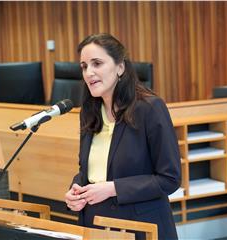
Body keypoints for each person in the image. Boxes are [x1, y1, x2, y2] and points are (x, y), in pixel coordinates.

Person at [65, 33, 181, 240]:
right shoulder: (89, 111)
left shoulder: (149, 108)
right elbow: (88, 169)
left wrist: (113, 188)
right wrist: (76, 190)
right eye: (84, 66)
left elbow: (169, 179)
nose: (88, 73)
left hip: (140, 227)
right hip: (95, 224)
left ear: (120, 67)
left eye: (97, 63)